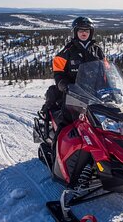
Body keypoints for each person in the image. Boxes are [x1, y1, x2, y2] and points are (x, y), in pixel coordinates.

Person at [40, 16, 106, 150]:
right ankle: (57, 150)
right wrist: (63, 84)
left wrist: (112, 85)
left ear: (91, 32)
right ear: (75, 32)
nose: (84, 33)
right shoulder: (67, 51)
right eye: (81, 30)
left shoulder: (97, 50)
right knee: (67, 123)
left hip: (95, 93)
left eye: (87, 30)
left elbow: (105, 69)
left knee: (104, 122)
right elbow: (58, 72)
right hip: (73, 92)